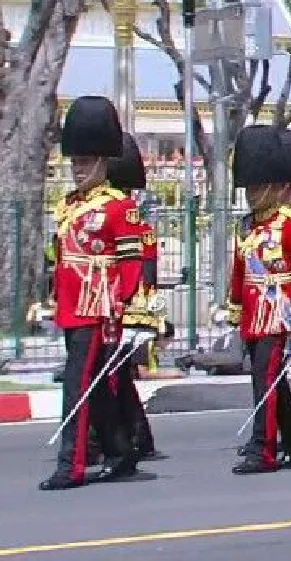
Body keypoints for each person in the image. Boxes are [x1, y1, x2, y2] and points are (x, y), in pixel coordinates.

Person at [41, 96, 142, 490]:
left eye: (85, 161)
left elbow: (130, 262)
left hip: (97, 309)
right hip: (71, 307)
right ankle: (119, 452)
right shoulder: (69, 206)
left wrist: (120, 304)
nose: (78, 168)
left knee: (77, 386)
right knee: (96, 387)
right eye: (75, 162)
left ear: (102, 162)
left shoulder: (118, 207)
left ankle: (72, 464)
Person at [225, 126, 291, 474]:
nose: (251, 194)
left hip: (280, 314)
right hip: (254, 314)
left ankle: (263, 448)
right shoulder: (247, 226)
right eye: (249, 187)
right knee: (270, 379)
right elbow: (239, 272)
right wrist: (235, 307)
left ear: (278, 186)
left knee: (265, 379)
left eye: (258, 186)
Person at [107, 132, 161, 461]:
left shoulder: (137, 225)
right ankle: (138, 436)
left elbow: (145, 274)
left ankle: (123, 437)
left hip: (126, 307)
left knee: (116, 373)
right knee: (117, 374)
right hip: (104, 305)